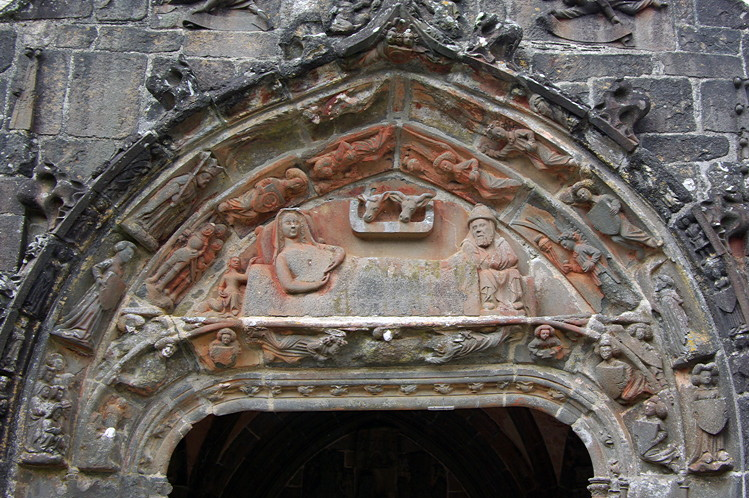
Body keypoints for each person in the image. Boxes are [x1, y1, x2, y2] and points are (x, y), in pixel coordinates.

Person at [52, 241, 136, 351]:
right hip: (98, 291)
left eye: (131, 256)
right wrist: (99, 278)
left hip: (106, 293)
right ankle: (75, 328)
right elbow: (96, 267)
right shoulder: (112, 261)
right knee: (89, 309)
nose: (129, 257)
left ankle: (86, 333)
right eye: (128, 253)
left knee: (96, 313)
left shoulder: (121, 269)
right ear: (120, 252)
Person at [461, 204, 524, 314]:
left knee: (513, 273)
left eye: (482, 226)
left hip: (504, 273)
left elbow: (512, 260)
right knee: (485, 274)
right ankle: (488, 301)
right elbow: (473, 264)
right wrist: (493, 263)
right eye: (474, 228)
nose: (478, 230)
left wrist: (493, 264)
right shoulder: (469, 245)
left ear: (491, 227)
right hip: (487, 275)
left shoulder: (501, 243)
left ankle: (513, 302)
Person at [272, 209, 345, 294]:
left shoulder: (313, 246)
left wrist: (338, 258)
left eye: (296, 222)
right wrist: (316, 284)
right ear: (280, 228)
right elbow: (288, 285)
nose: (293, 226)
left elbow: (338, 249)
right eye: (288, 223)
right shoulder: (282, 257)